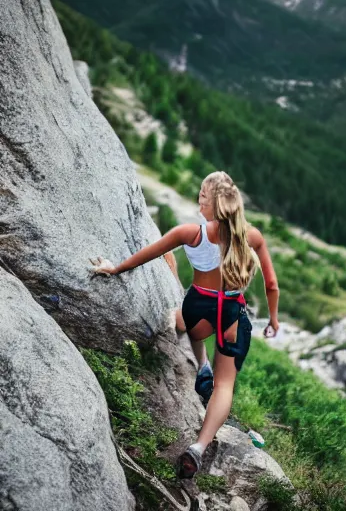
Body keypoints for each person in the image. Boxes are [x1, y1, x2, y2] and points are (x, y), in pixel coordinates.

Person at [91, 171, 279, 479]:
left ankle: (201, 363)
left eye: (203, 197)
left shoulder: (189, 233)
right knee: (225, 385)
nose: (198, 202)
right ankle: (199, 447)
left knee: (192, 325)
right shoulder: (252, 236)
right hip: (231, 314)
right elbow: (271, 284)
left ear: (215, 204)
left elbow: (148, 255)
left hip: (197, 309)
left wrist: (115, 268)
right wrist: (272, 319)